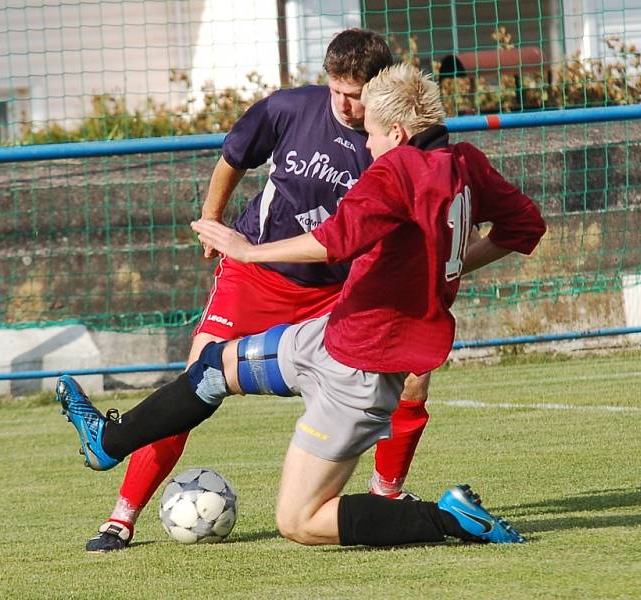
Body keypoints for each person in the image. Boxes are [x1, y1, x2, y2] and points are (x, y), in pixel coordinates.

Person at [57, 63, 546, 548]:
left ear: (397, 132)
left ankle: (445, 519)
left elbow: (333, 242)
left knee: (300, 522)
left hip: (357, 370)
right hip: (334, 334)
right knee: (212, 368)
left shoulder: (396, 168)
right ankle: (108, 442)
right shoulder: (466, 162)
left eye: (372, 134)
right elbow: (525, 227)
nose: (367, 145)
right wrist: (446, 267)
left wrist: (247, 250)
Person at [87, 28, 433, 553]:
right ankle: (123, 514)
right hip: (254, 275)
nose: (345, 105)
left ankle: (387, 493)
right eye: (337, 90)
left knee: (411, 382)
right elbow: (235, 156)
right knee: (194, 379)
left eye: (356, 96)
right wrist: (211, 218)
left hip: (338, 293)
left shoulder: (390, 143)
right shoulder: (288, 110)